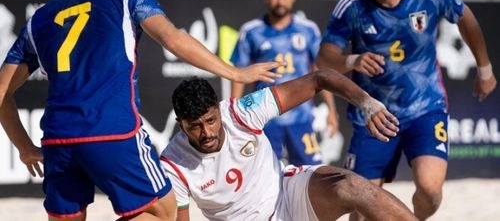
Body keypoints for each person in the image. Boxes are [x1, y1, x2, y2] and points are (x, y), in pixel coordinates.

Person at [0, 0, 281, 221]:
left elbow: (2, 91)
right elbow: (172, 38)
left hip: (57, 138)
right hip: (111, 129)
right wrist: (235, 73)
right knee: (164, 213)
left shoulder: (41, 16)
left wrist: (24, 146)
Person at [315, 0, 497, 221]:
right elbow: (324, 58)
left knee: (430, 191)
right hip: (373, 114)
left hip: (425, 108)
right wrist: (354, 59)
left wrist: (485, 68)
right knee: (360, 206)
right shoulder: (352, 7)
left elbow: (466, 18)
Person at [160, 70, 418, 221]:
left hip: (287, 195)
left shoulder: (241, 113)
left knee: (352, 186)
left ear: (219, 110)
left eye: (211, 120)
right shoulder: (173, 164)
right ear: (180, 125)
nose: (207, 132)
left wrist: (367, 103)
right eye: (195, 126)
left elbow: (320, 78)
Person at [230, 0, 338, 165]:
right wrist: (235, 115)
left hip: (301, 115)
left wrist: (331, 110)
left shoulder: (308, 29)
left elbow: (320, 70)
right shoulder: (251, 31)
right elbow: (239, 74)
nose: (280, 0)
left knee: (311, 173)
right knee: (265, 175)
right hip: (265, 117)